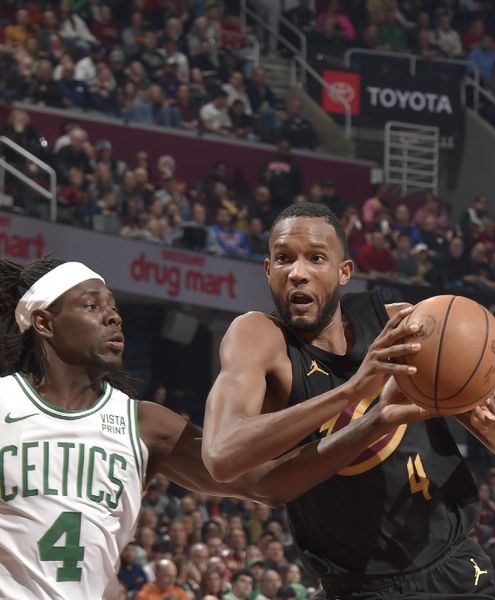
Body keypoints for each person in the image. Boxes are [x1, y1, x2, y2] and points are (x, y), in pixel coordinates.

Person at [0, 256, 398, 600]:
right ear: (44, 323)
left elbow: (267, 484)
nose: (113, 315)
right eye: (91, 306)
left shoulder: (144, 424)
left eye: (113, 306)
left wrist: (373, 418)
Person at [202, 202, 495, 598]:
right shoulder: (259, 337)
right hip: (362, 586)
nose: (297, 272)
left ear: (344, 272)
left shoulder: (401, 326)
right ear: (268, 270)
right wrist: (352, 391)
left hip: (455, 568)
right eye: (283, 259)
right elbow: (221, 454)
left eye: (315, 258)